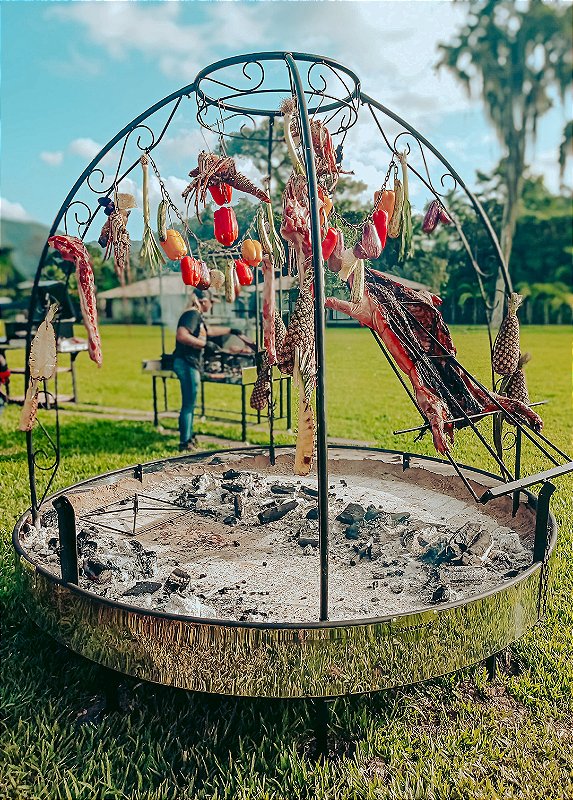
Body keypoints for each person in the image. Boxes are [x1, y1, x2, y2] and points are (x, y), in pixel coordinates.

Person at [173, 289, 242, 451]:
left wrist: (231, 330)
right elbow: (181, 335)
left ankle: (188, 437)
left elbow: (209, 331)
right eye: (212, 303)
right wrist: (205, 344)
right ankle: (185, 442)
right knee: (188, 404)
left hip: (189, 363)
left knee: (190, 403)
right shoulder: (192, 315)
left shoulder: (197, 316)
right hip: (186, 362)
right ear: (204, 301)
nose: (212, 306)